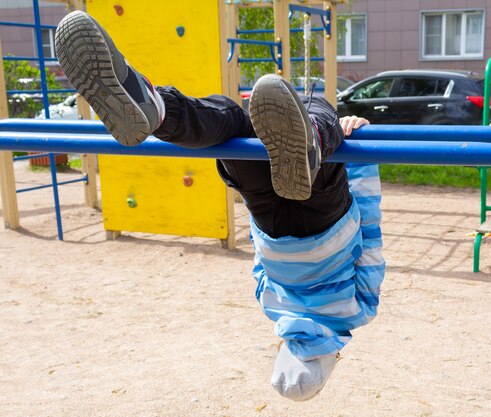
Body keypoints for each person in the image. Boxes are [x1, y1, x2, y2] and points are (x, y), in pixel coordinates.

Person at [55, 11, 384, 402]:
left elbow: (370, 239)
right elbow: (261, 263)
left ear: (331, 358)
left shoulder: (357, 313)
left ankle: (309, 135)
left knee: (308, 112)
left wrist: (359, 157)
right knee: (234, 126)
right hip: (273, 227)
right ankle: (162, 113)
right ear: (283, 350)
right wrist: (255, 205)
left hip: (326, 222)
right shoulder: (271, 307)